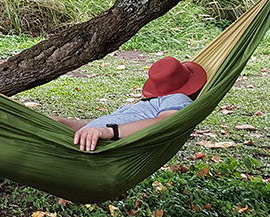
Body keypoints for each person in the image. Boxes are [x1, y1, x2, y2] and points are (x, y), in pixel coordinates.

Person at [51, 56, 207, 151]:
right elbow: (96, 127)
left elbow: (164, 123)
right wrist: (64, 123)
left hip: (100, 145)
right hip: (85, 138)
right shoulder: (148, 104)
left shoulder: (177, 98)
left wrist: (110, 132)